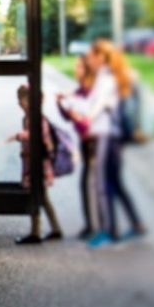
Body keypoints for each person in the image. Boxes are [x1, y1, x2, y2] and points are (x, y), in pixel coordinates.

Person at [84, 40, 146, 248]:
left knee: (103, 183)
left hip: (106, 136)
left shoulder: (107, 78)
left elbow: (101, 104)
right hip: (113, 137)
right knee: (115, 183)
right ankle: (137, 224)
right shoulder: (110, 76)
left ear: (101, 57)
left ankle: (109, 231)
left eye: (91, 56)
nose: (88, 60)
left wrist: (87, 119)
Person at [11, 84, 62, 244]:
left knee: (36, 196)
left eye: (23, 99)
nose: (20, 103)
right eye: (19, 99)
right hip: (32, 162)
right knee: (43, 197)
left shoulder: (36, 118)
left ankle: (36, 232)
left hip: (38, 164)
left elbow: (41, 138)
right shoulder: (28, 117)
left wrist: (22, 136)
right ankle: (55, 229)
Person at [57, 56, 97, 239]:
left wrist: (76, 117)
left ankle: (95, 226)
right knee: (90, 184)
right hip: (87, 142)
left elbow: (87, 123)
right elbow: (68, 117)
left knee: (95, 185)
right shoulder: (80, 91)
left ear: (87, 69)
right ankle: (92, 225)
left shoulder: (90, 92)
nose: (76, 70)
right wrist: (61, 105)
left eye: (79, 67)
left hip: (95, 142)